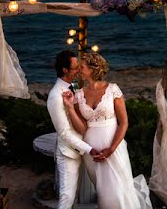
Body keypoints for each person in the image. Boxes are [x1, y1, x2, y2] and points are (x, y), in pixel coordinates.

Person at [63, 51, 152, 209]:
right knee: (104, 192)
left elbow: (124, 122)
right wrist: (70, 108)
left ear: (92, 69)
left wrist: (111, 149)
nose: (78, 70)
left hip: (114, 147)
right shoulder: (78, 94)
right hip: (92, 151)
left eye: (82, 67)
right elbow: (82, 127)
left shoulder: (113, 90)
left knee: (119, 190)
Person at [47, 50, 102, 209]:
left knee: (76, 193)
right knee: (67, 196)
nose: (79, 70)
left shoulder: (73, 87)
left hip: (82, 147)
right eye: (75, 68)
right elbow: (64, 133)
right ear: (65, 70)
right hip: (69, 152)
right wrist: (89, 149)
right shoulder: (55, 97)